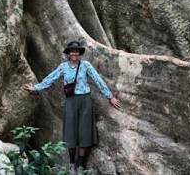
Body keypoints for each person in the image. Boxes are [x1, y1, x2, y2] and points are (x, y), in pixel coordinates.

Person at [23, 41, 122, 173]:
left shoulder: (86, 65)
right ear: (68, 54)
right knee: (70, 132)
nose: (74, 53)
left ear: (79, 53)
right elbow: (50, 79)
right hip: (70, 102)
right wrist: (35, 88)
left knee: (84, 133)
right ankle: (72, 164)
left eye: (77, 51)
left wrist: (110, 96)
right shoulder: (63, 67)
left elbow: (98, 80)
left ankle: (81, 165)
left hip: (85, 101)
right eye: (72, 51)